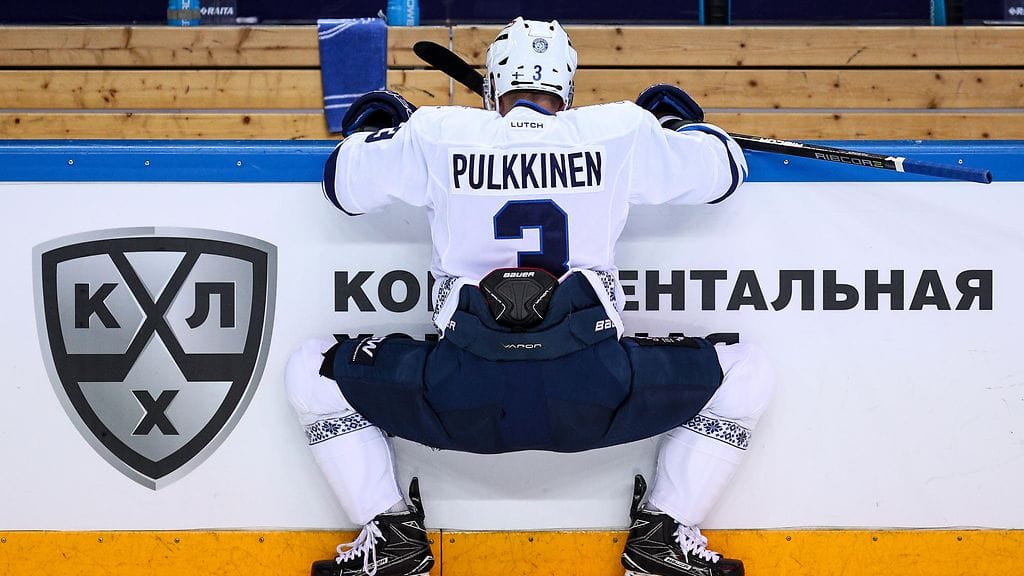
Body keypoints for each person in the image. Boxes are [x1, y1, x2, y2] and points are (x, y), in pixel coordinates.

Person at [285, 17, 774, 576]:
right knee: (746, 371)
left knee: (311, 371)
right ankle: (663, 534)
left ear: (493, 83)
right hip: (596, 391)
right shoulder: (619, 131)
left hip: (460, 394)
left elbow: (342, 186)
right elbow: (725, 173)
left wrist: (380, 134)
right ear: (566, 86)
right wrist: (674, 127)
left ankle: (391, 534)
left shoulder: (436, 133)